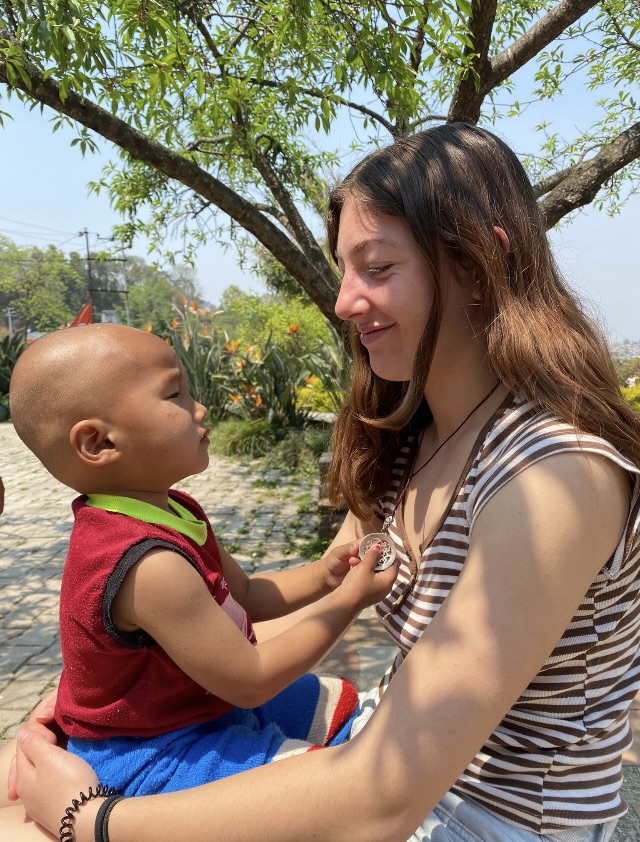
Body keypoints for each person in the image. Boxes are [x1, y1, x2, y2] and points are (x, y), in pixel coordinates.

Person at [2, 121, 640, 842]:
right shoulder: (407, 439)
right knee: (18, 767)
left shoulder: (555, 477)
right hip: (393, 748)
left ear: (475, 264)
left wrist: (91, 821)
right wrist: (96, 700)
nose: (343, 302)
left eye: (377, 268)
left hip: (488, 818)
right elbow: (285, 601)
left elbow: (380, 802)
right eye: (344, 270)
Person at [3, 323, 397, 799]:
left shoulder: (175, 509)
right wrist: (350, 602)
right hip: (153, 749)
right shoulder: (145, 565)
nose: (201, 407)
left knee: (342, 706)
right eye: (175, 394)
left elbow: (246, 595)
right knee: (330, 787)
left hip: (202, 704)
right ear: (99, 444)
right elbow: (250, 681)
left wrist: (323, 576)